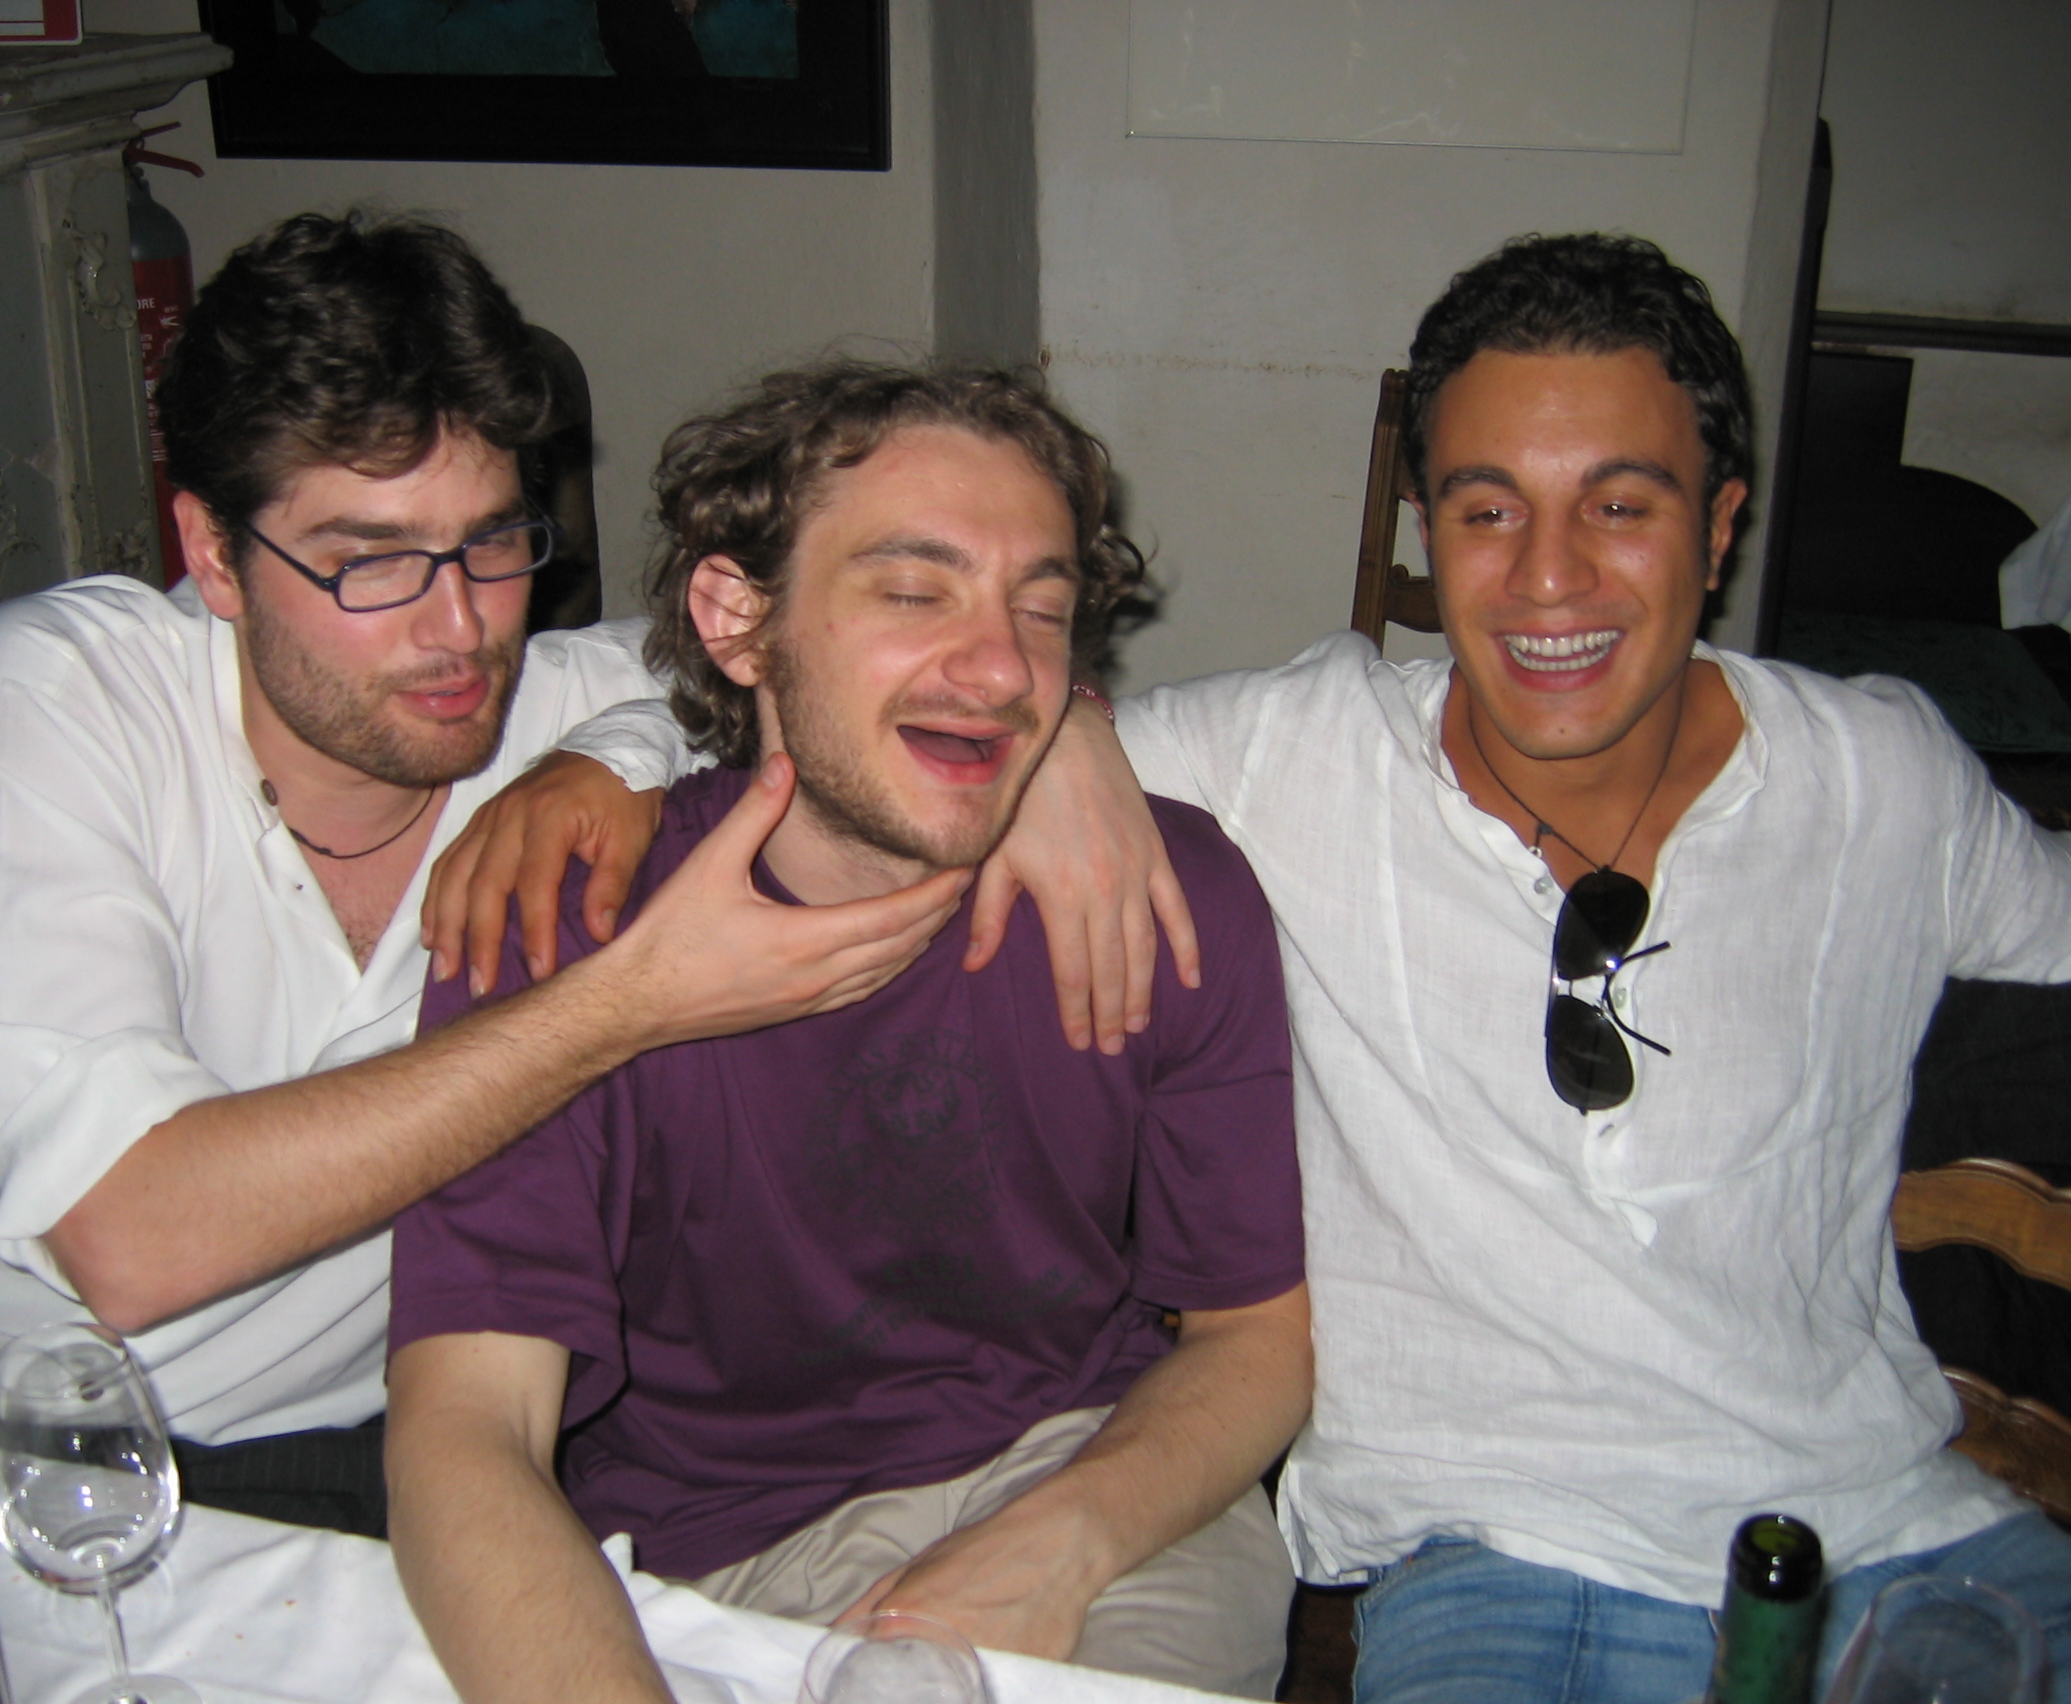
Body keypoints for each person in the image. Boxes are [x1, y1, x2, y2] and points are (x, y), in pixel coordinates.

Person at [532, 235, 2071, 1701]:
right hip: (1508, 1561)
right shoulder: (1294, 756)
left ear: (1721, 526)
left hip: (1899, 1528)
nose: (1548, 579)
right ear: (1423, 532)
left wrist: (1064, 732)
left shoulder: (1887, 780)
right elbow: (847, 706)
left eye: (1620, 506)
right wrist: (604, 760)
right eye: (1486, 510)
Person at [0, 211, 981, 1536]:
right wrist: (634, 1000)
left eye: (491, 541)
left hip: (387, 1441)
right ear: (213, 554)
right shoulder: (61, 697)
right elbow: (130, 1237)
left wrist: (1069, 782)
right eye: (370, 560)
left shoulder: (565, 706)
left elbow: (912, 664)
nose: (460, 627)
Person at [383, 363, 1312, 1702]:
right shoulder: (561, 925)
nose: (1001, 669)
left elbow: (1256, 1339)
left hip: (1104, 1488)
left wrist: (1064, 1538)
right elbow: (465, 1431)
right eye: (915, 592)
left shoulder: (1167, 896)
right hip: (718, 1556)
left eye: (1041, 608)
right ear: (739, 620)